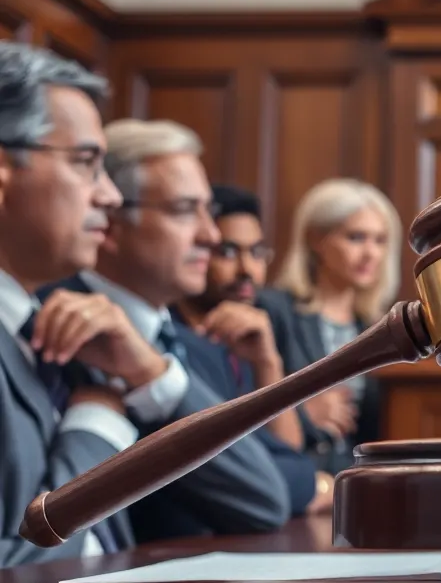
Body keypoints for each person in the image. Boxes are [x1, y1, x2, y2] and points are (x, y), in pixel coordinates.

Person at [42, 118, 291, 542]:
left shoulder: (196, 347)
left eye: (207, 212)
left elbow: (273, 492)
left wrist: (155, 377)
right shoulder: (45, 324)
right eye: (183, 210)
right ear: (111, 222)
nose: (210, 236)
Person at [0, 42, 142, 566]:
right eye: (86, 163)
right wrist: (95, 429)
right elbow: (12, 568)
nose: (110, 196)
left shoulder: (50, 328)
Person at [172, 184, 331, 516]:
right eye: (228, 252)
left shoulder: (254, 331)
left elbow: (289, 449)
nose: (247, 269)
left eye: (257, 253)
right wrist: (313, 485)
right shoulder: (170, 336)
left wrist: (267, 362)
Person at [261, 178, 402, 474]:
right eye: (356, 237)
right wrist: (302, 416)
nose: (371, 253)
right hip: (292, 482)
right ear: (316, 240)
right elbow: (239, 403)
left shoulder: (380, 327)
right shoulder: (274, 311)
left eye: (380, 240)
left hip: (356, 483)